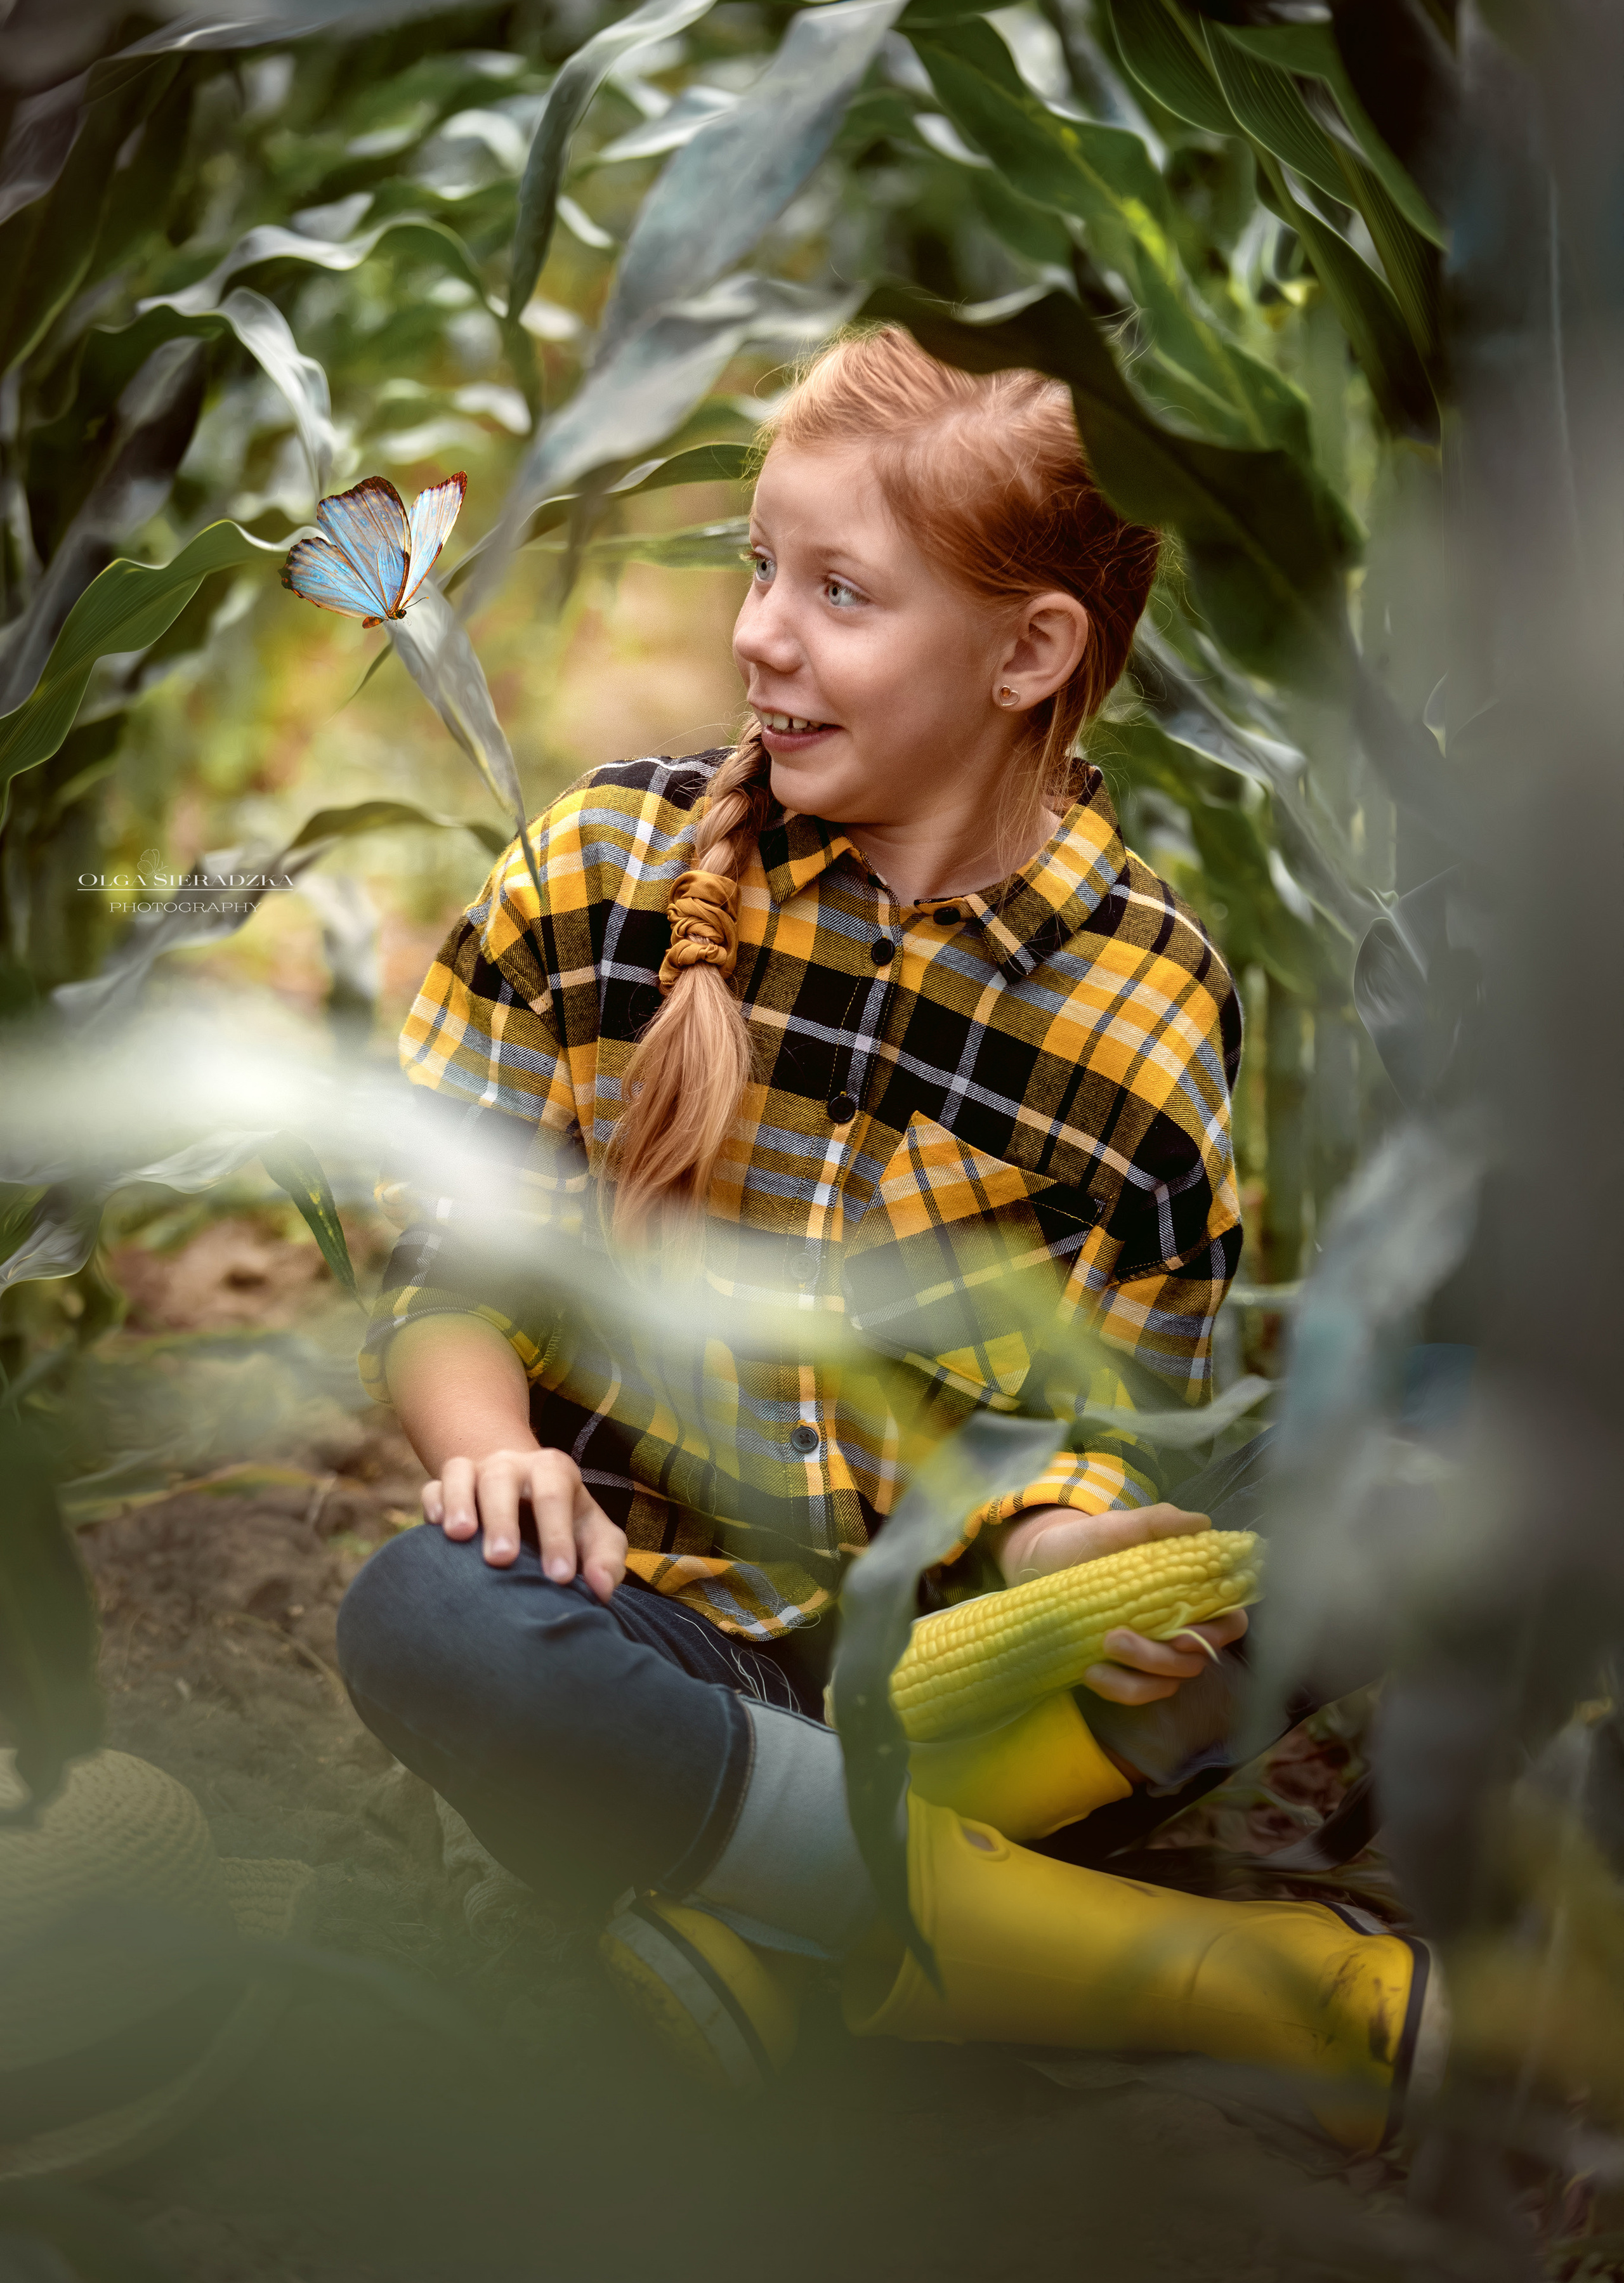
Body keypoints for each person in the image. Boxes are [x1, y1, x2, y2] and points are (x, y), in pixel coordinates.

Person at [336, 327, 1441, 2145]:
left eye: (841, 590)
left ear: (1030, 652)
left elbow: (1118, 1404)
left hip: (951, 1676)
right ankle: (1238, 1980)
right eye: (758, 566)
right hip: (640, 1641)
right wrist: (494, 1456)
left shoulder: (1147, 996)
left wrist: (1088, 1544)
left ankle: (755, 1932)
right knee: (430, 1616)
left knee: (1400, 1464)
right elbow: (433, 1258)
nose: (764, 630)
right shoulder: (604, 868)